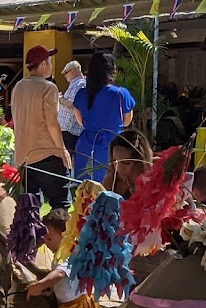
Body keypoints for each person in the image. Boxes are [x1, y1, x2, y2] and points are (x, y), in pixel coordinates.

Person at [26, 208, 103, 308]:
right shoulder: (65, 250)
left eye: (49, 238)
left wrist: (40, 285)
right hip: (72, 303)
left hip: (75, 307)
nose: (45, 241)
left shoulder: (70, 253)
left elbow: (61, 273)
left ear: (65, 236)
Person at [10, 45, 73, 208]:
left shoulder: (18, 87)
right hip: (48, 155)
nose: (52, 65)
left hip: (24, 158)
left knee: (30, 210)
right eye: (50, 61)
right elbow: (52, 123)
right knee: (61, 206)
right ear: (44, 64)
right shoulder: (48, 87)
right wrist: (62, 150)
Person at [73, 52, 136, 182]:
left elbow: (80, 122)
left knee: (86, 190)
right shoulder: (121, 94)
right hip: (113, 146)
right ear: (111, 70)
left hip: (86, 145)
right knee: (112, 187)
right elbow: (126, 122)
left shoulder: (81, 94)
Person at [103, 129, 153, 199]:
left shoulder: (151, 185)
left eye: (125, 163)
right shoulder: (111, 182)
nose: (119, 168)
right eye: (115, 162)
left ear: (140, 162)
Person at [57, 60, 86, 155]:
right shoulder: (75, 84)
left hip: (71, 129)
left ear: (73, 71)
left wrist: (60, 99)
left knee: (70, 157)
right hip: (67, 129)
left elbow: (72, 104)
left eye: (66, 72)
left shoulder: (80, 84)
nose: (65, 76)